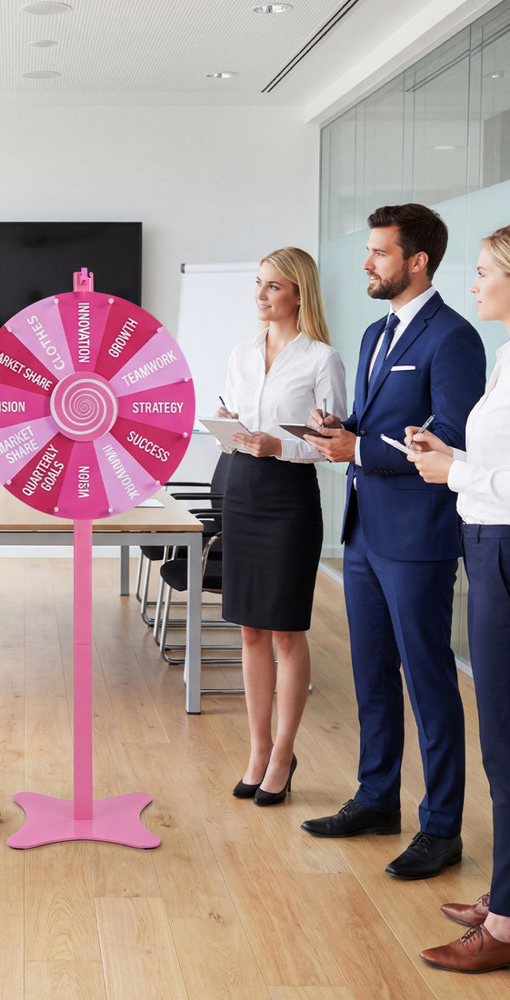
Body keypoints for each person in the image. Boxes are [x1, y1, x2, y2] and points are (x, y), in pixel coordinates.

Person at [301, 204, 486, 880]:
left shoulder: (453, 338)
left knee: (430, 680)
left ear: (417, 261)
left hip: (419, 538)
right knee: (371, 676)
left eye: (379, 253)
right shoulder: (380, 333)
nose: (366, 263)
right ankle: (376, 798)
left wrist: (360, 448)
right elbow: (376, 425)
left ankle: (442, 829)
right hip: (365, 534)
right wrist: (337, 429)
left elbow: (456, 441)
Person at [408, 225, 510, 973]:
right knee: (500, 740)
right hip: (487, 542)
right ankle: (507, 896)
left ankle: (504, 926)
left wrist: (458, 478)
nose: (471, 285)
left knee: (507, 742)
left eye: (481, 272)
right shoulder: (505, 358)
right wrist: (452, 461)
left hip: (502, 545)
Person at [216, 248, 346, 806]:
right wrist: (225, 426)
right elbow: (231, 416)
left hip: (289, 500)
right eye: (258, 284)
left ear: (298, 293)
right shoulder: (241, 354)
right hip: (240, 491)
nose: (261, 295)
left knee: (288, 631)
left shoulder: (322, 360)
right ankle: (257, 748)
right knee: (249, 630)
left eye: (273, 286)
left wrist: (281, 446)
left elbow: (332, 446)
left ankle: (284, 754)